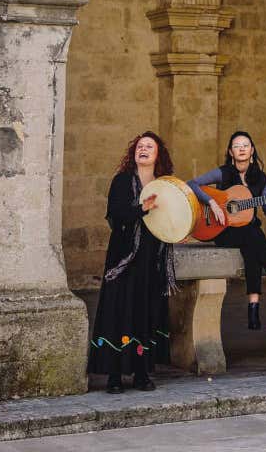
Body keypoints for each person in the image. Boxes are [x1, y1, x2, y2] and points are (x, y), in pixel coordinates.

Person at [88, 131, 177, 393]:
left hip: (152, 260)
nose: (144, 149)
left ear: (158, 155)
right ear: (133, 153)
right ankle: (114, 376)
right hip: (124, 260)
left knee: (144, 313)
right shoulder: (122, 181)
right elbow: (115, 215)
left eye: (149, 146)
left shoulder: (164, 186)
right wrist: (142, 209)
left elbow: (174, 216)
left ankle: (141, 373)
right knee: (120, 313)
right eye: (140, 146)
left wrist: (177, 232)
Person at [187, 130, 266, 330]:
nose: (241, 149)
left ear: (252, 151)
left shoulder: (261, 178)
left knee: (251, 244)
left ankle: (253, 307)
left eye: (245, 145)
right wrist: (212, 202)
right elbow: (192, 184)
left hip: (248, 232)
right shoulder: (223, 173)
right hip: (222, 230)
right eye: (237, 146)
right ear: (231, 152)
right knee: (253, 235)